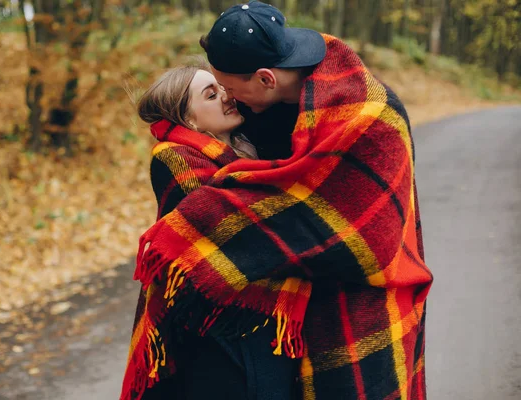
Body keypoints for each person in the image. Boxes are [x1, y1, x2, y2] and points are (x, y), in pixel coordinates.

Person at [124, 1, 433, 400]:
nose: (232, 100)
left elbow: (368, 230)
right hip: (285, 318)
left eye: (231, 89)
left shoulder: (366, 113)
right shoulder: (257, 114)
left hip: (363, 300)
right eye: (216, 91)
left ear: (266, 78)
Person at [124, 62, 304, 400]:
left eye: (221, 87)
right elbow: (224, 227)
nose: (226, 96)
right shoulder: (174, 156)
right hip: (215, 326)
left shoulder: (248, 147)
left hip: (262, 321)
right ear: (189, 119)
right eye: (211, 94)